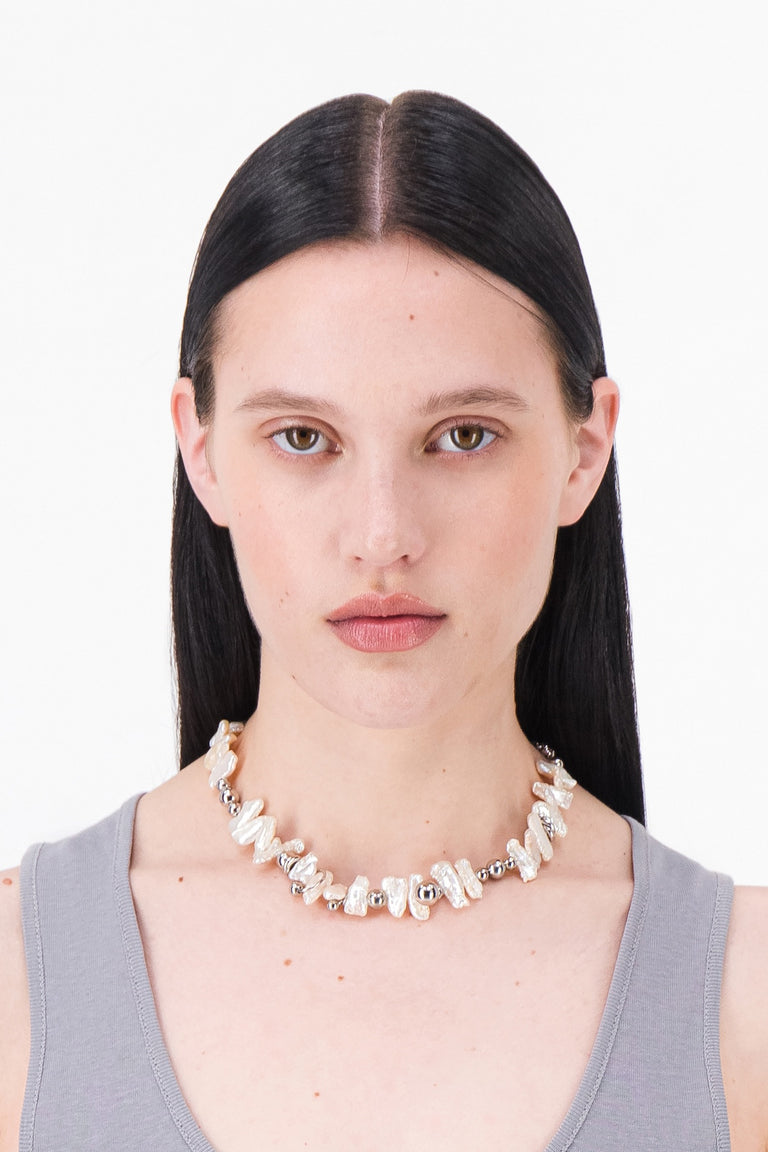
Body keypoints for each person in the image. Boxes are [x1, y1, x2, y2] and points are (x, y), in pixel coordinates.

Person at [0, 91, 765, 1152]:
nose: (383, 537)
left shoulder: (744, 1009)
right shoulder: (20, 987)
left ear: (584, 450)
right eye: (303, 438)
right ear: (202, 450)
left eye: (463, 436)